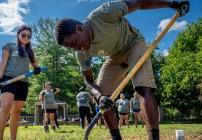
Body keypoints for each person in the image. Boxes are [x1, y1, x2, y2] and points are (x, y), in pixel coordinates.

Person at [54, 0, 189, 139]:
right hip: (115, 56)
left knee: (142, 88)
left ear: (79, 29)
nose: (77, 49)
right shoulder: (81, 53)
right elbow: (88, 81)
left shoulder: (104, 13)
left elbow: (139, 3)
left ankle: (153, 137)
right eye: (72, 48)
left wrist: (172, 4)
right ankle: (116, 137)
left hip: (133, 43)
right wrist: (100, 97)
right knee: (102, 96)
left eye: (75, 43)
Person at [0, 25, 40, 140]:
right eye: (23, 35)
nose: (26, 37)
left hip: (23, 82)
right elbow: (3, 62)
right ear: (18, 35)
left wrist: (37, 68)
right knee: (5, 107)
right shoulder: (9, 46)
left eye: (28, 36)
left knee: (16, 111)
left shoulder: (30, 51)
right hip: (8, 79)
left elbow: (35, 66)